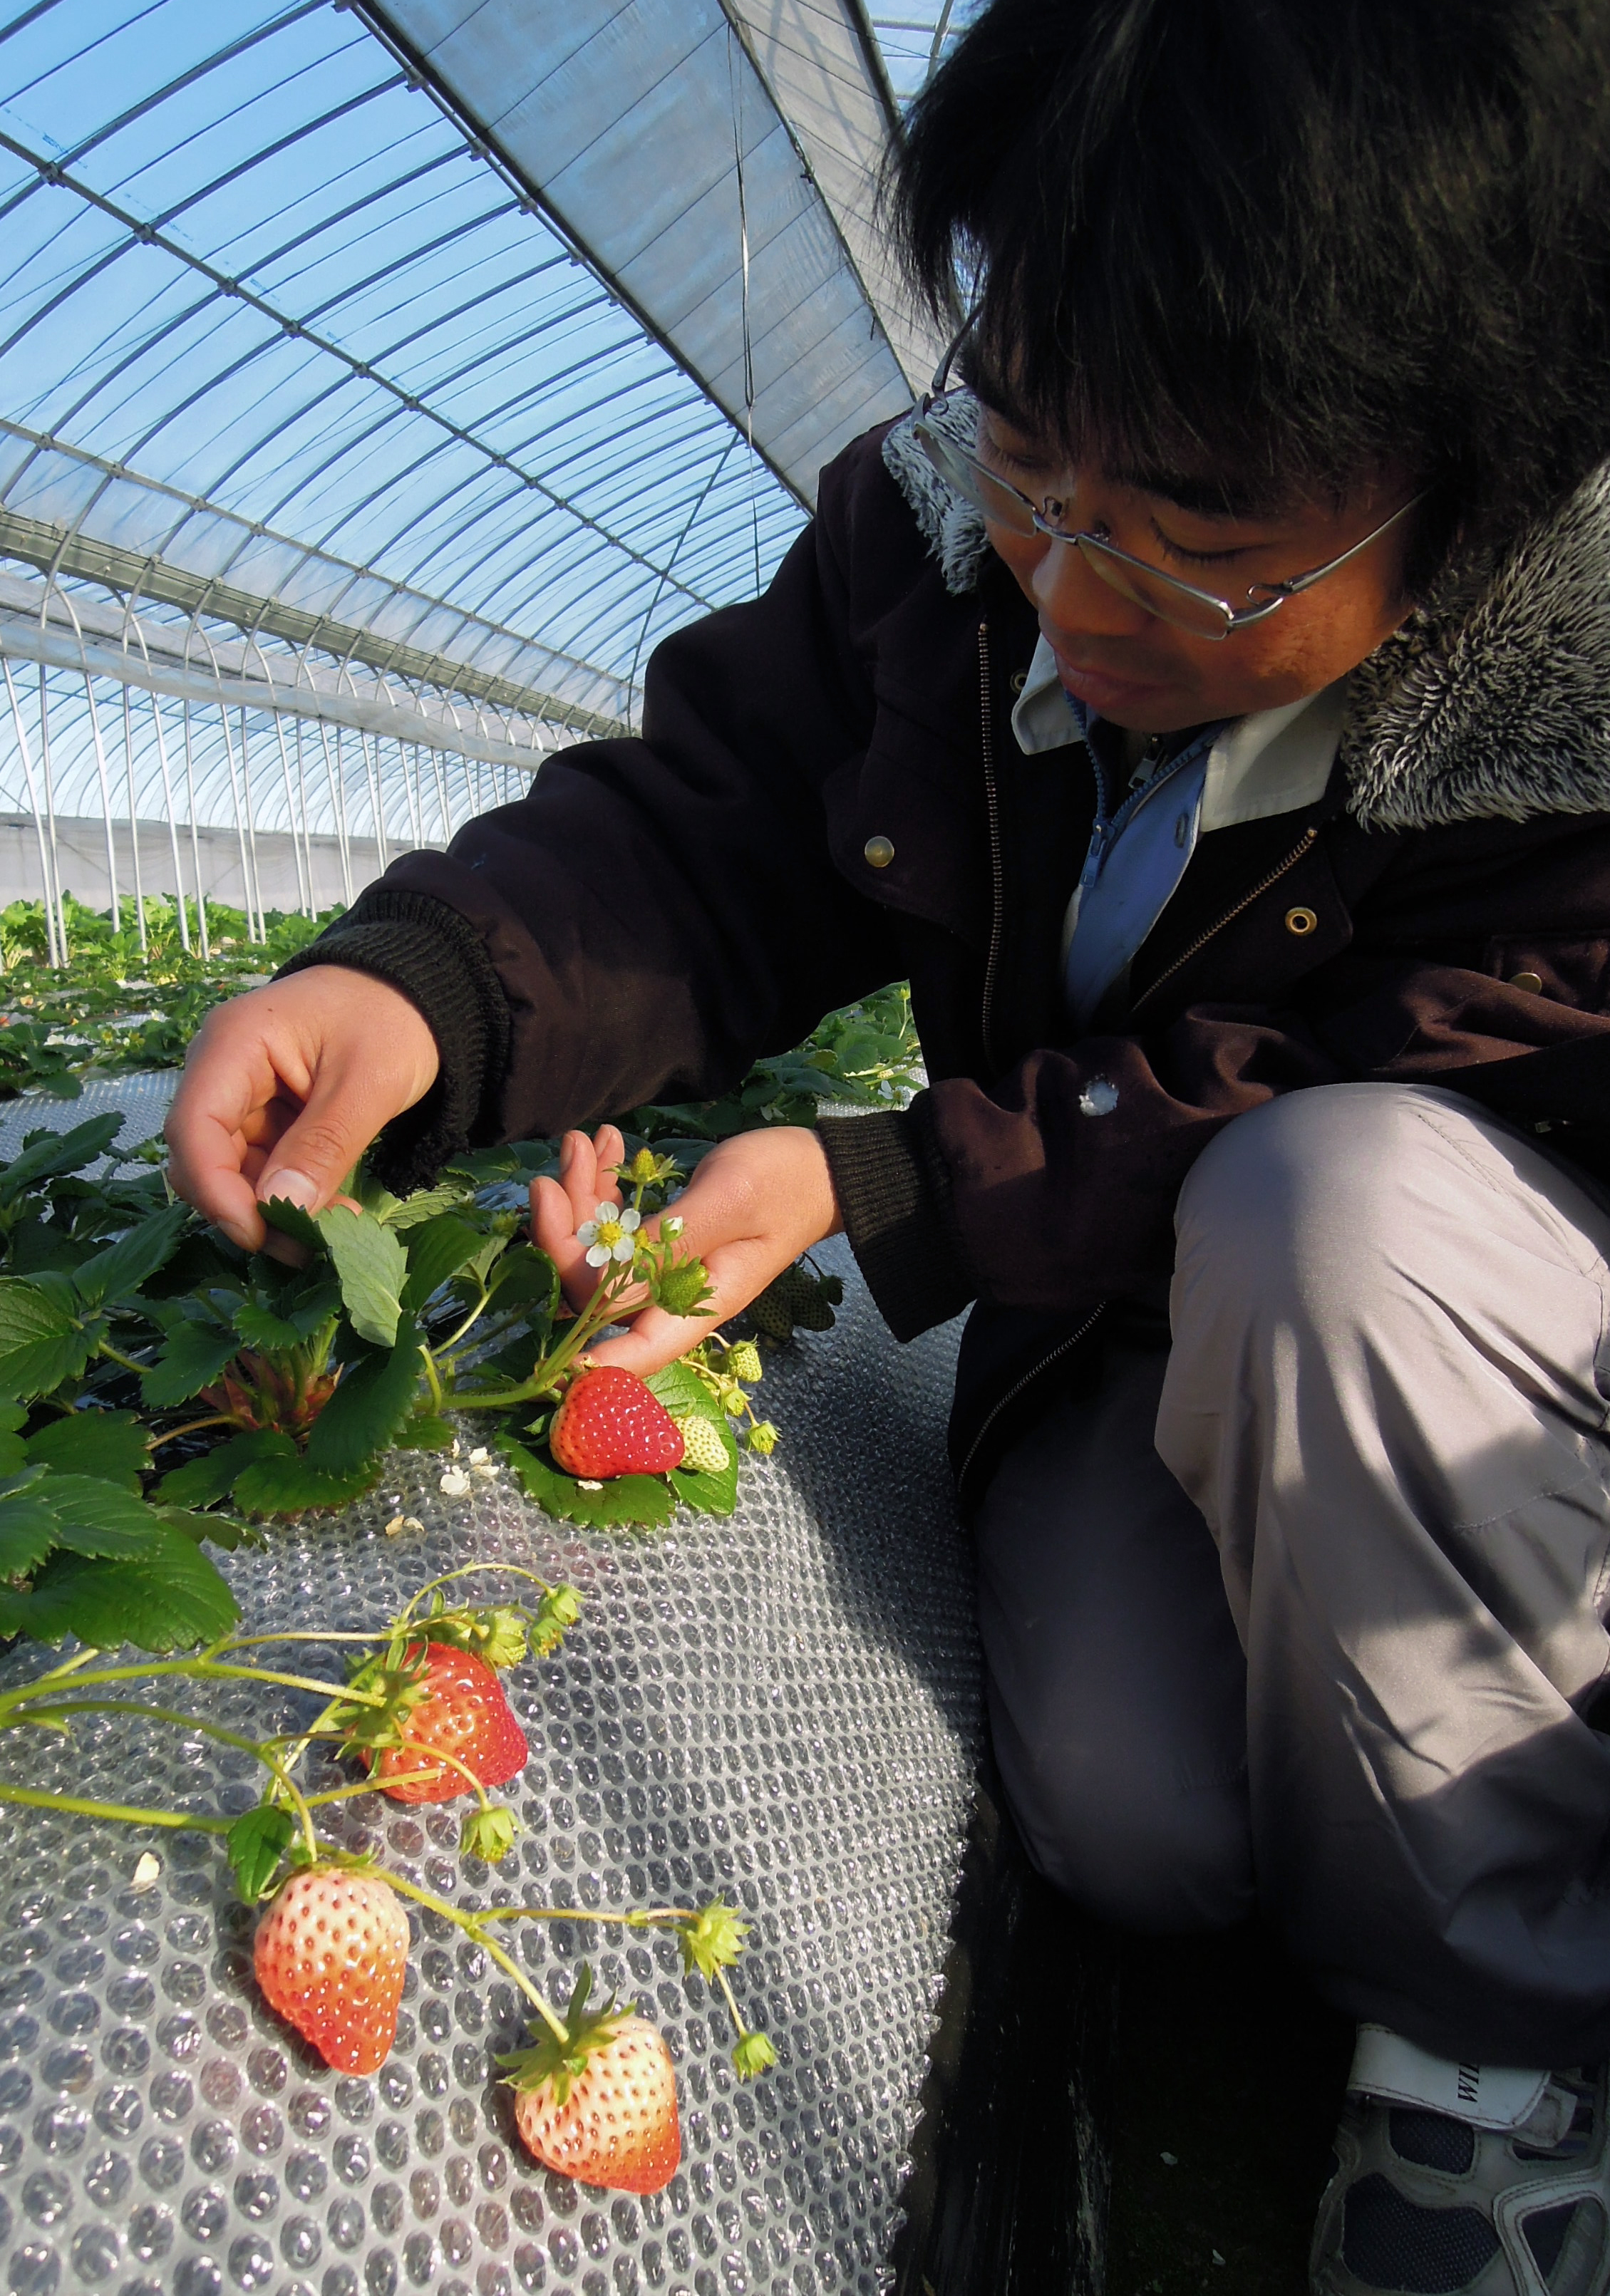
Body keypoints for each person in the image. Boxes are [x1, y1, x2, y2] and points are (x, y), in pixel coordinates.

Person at [165, 1, 1610, 2287]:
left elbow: (1399, 1073)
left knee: (1331, 1209)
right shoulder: (939, 538)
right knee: (1135, 1828)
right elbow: (713, 827)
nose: (1072, 589)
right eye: (1038, 468)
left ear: (1476, 494)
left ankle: (1490, 2054)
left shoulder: (1570, 712)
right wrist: (413, 987)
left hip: (1488, 1338)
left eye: (1197, 544)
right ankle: (1415, 1829)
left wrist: (888, 1180)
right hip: (1129, 1304)